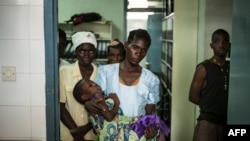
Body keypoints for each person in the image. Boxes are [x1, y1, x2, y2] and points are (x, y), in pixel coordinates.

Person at [85, 29, 169, 140]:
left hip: (137, 132)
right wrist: (89, 103)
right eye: (135, 47)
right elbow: (94, 97)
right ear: (126, 45)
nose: (139, 54)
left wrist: (151, 127)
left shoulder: (151, 79)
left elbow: (150, 111)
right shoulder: (106, 72)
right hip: (111, 130)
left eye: (144, 50)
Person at [73, 78, 169, 141]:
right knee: (158, 133)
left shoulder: (100, 101)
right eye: (91, 85)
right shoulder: (98, 102)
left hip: (115, 133)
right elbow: (110, 117)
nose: (95, 85)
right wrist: (117, 103)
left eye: (94, 83)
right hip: (117, 136)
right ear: (85, 96)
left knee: (156, 132)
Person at [189, 29, 231, 141]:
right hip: (208, 123)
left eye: (225, 42)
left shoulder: (231, 67)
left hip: (227, 121)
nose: (221, 45)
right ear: (211, 45)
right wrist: (211, 107)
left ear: (229, 45)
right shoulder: (203, 68)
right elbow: (193, 97)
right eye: (217, 42)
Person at [59, 31, 98, 141]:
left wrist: (85, 128)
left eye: (90, 51)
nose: (86, 55)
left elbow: (104, 108)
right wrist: (77, 132)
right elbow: (60, 107)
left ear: (95, 52)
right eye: (82, 51)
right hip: (69, 134)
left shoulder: (101, 74)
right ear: (75, 51)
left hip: (93, 135)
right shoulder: (64, 72)